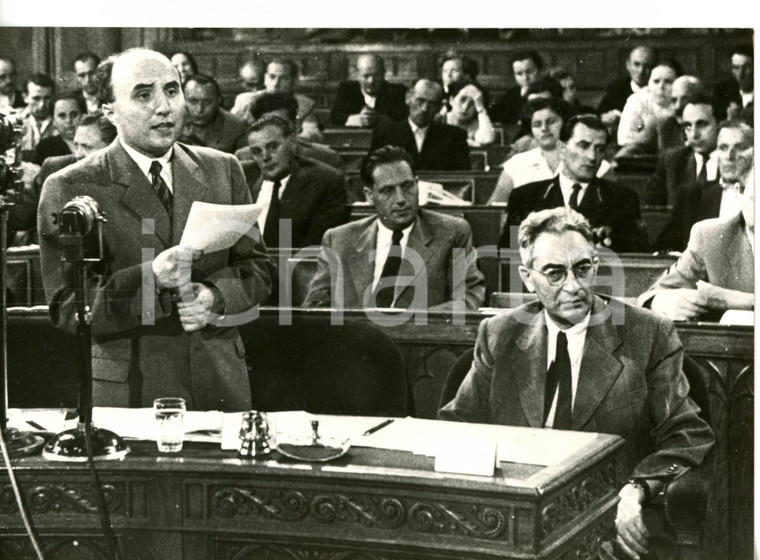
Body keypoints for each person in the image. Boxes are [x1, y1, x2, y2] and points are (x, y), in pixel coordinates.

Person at [440, 207, 714, 560]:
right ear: (527, 277)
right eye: (555, 273)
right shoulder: (500, 333)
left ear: (596, 267)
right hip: (514, 521)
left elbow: (688, 434)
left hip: (609, 515)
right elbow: (458, 426)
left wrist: (636, 490)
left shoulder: (647, 333)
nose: (573, 285)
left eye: (583, 269)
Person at [38, 48, 274, 411]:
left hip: (220, 383)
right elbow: (68, 306)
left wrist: (214, 296)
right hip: (133, 392)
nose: (163, 107)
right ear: (109, 111)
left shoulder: (223, 169)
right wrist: (152, 279)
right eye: (144, 95)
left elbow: (257, 269)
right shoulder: (70, 186)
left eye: (171, 90)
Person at [302, 145, 484, 311]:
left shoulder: (452, 232)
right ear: (369, 195)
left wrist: (409, 323)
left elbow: (469, 298)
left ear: (417, 184)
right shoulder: (339, 239)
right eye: (388, 191)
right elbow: (315, 305)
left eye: (407, 186)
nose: (400, 199)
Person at [499, 114, 649, 253]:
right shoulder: (525, 197)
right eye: (583, 146)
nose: (592, 157)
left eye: (600, 149)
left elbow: (635, 259)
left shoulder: (622, 198)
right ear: (562, 149)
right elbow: (509, 260)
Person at [639, 164, 753, 321]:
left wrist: (726, 299)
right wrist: (664, 302)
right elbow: (652, 295)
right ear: (740, 191)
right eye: (755, 198)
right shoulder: (711, 237)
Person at [245, 115, 349, 249]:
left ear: (292, 143)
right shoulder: (243, 177)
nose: (265, 157)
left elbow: (318, 247)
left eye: (272, 147)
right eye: (256, 151)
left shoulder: (325, 181)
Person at [488, 97, 610, 204]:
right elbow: (498, 212)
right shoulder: (516, 164)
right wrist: (516, 231)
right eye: (537, 124)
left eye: (551, 122)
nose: (544, 128)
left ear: (565, 122)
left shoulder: (593, 162)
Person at [655, 120, 753, 252]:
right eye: (723, 148)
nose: (729, 156)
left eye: (739, 148)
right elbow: (666, 247)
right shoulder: (693, 195)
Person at [371, 79, 470, 171]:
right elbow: (374, 172)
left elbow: (462, 178)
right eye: (420, 100)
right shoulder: (384, 133)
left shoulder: (454, 137)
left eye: (432, 104)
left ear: (439, 107)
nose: (424, 109)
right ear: (407, 98)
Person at [234, 91, 343, 171]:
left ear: (296, 126)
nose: (275, 132)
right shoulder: (243, 158)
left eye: (282, 124)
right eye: (267, 126)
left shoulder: (326, 158)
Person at [645, 95, 719, 206]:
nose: (694, 134)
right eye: (688, 126)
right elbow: (653, 213)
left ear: (719, 124)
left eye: (702, 124)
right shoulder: (670, 161)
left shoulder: (733, 160)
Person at [617, 59, 682, 149]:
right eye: (656, 81)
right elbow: (624, 139)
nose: (661, 86)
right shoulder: (637, 100)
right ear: (649, 83)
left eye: (668, 81)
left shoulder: (685, 102)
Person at [330, 54, 407, 127]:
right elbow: (335, 117)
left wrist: (380, 119)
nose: (371, 81)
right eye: (366, 76)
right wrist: (355, 119)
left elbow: (403, 117)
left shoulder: (397, 91)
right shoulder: (346, 90)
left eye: (376, 75)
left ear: (383, 74)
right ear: (357, 75)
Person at [231, 59, 315, 126]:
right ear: (265, 78)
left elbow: (311, 133)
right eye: (272, 77)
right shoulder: (246, 100)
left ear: (294, 81)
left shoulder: (304, 103)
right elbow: (230, 129)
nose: (276, 83)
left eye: (284, 78)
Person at [179, 73, 248, 153]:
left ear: (218, 101)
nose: (200, 109)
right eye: (193, 101)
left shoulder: (236, 127)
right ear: (182, 100)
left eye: (207, 102)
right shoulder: (170, 122)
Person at [598, 46, 657, 122]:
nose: (641, 71)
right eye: (636, 64)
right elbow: (601, 114)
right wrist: (606, 117)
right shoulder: (616, 88)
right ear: (628, 65)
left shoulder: (659, 89)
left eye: (647, 66)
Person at [488, 50, 543, 126]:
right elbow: (493, 115)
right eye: (519, 74)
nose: (525, 77)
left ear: (539, 70)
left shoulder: (550, 90)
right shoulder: (512, 93)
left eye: (529, 71)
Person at [654, 75, 704, 153]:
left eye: (685, 100)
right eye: (674, 100)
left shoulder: (708, 125)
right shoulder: (666, 126)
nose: (678, 107)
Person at [32, 93, 85, 165]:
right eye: (62, 116)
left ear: (84, 116)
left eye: (74, 114)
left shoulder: (97, 140)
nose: (68, 120)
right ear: (53, 121)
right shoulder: (46, 147)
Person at [445, 83, 496, 147]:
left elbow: (487, 140)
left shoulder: (478, 126)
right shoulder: (439, 120)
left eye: (473, 103)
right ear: (451, 100)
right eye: (462, 100)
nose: (465, 107)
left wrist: (481, 109)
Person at [713, 45, 753, 122]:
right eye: (736, 68)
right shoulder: (722, 90)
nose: (741, 74)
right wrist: (729, 119)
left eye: (747, 67)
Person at [19, 73, 56, 156]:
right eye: (36, 98)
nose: (42, 104)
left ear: (53, 97)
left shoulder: (61, 122)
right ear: (25, 97)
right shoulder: (15, 121)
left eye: (47, 98)